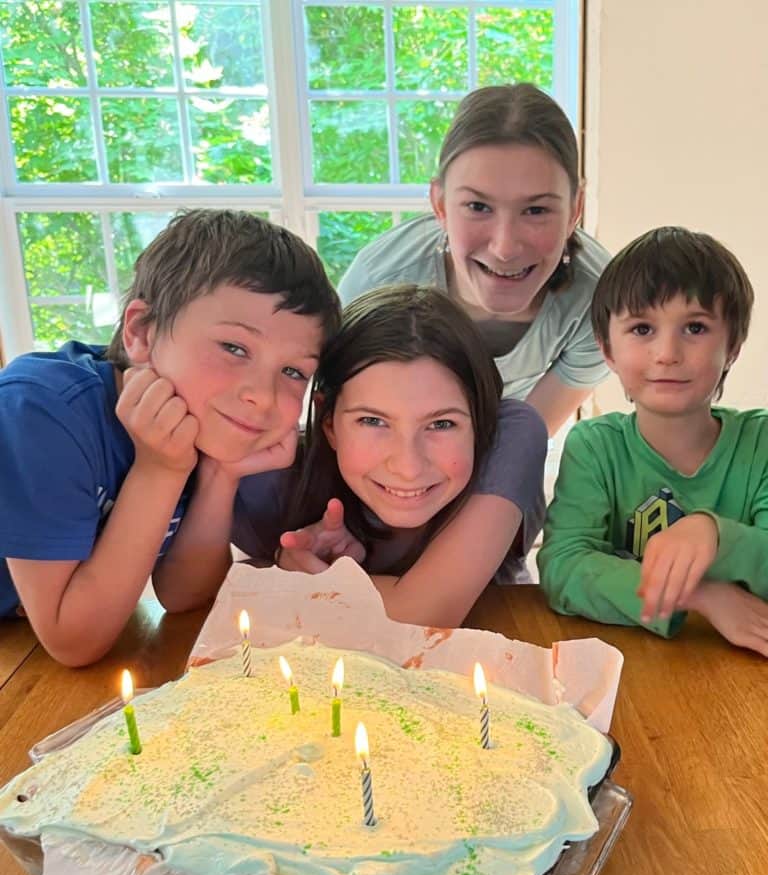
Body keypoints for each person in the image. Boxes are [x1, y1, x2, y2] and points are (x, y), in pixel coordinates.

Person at [0, 209, 340, 666]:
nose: (262, 396)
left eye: (294, 371)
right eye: (235, 348)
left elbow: (182, 595)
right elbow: (72, 640)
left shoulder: (197, 420)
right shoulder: (42, 409)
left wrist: (222, 474)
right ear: (141, 331)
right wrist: (161, 468)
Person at [234, 284, 548, 627]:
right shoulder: (271, 478)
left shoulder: (509, 434)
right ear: (329, 423)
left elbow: (422, 614)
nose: (408, 467)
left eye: (441, 424)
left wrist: (305, 583)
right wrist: (284, 561)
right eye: (372, 421)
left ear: (480, 420)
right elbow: (211, 596)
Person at [538, 226, 768, 655]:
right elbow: (561, 567)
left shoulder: (761, 443)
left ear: (732, 344)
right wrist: (699, 594)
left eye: (695, 328)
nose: (667, 353)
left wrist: (714, 535)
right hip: (629, 666)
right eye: (642, 329)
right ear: (607, 350)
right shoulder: (595, 447)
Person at [338, 83, 611, 436]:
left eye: (536, 210)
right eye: (478, 207)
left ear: (575, 209)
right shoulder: (375, 283)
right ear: (440, 204)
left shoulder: (600, 304)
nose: (504, 247)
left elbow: (517, 445)